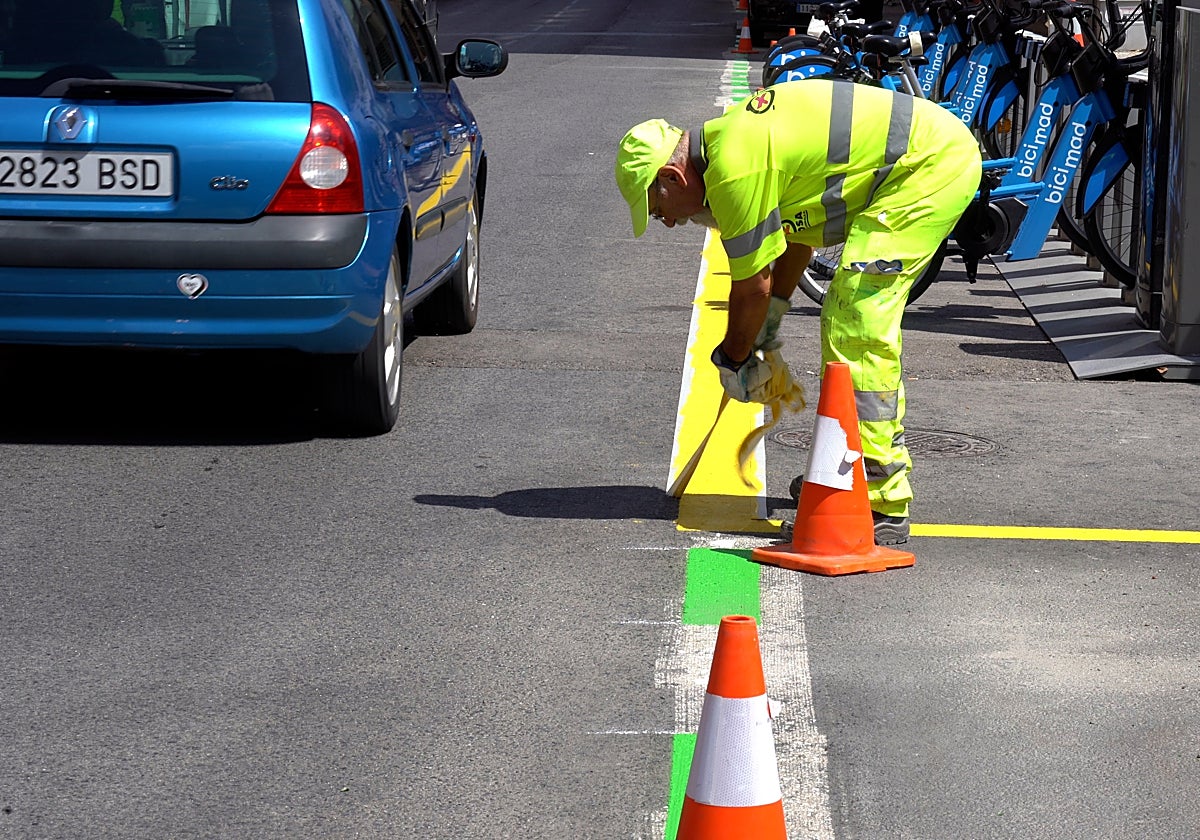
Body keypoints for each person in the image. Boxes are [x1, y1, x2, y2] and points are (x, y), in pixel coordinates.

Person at [615, 79, 981, 545]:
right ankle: (842, 476)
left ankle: (879, 497)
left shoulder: (734, 171)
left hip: (928, 166)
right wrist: (767, 329)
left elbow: (752, 287)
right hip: (925, 156)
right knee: (848, 318)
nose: (667, 221)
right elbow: (794, 239)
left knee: (856, 323)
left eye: (657, 206)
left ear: (673, 177)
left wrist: (734, 358)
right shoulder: (733, 143)